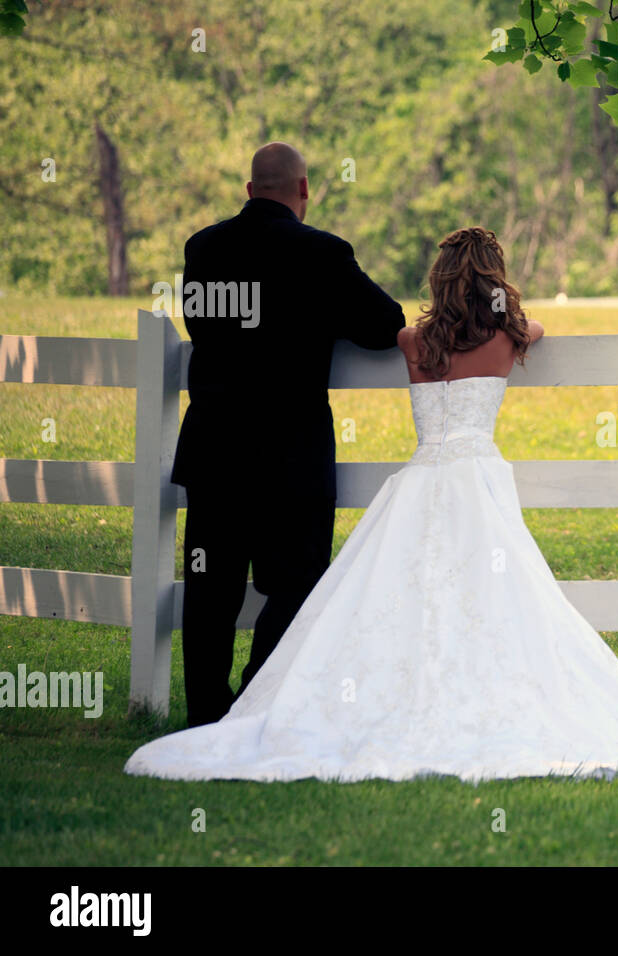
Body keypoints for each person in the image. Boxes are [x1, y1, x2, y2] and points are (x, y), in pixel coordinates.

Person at [125, 227, 618, 783]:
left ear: (439, 280)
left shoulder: (411, 342)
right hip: (478, 479)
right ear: (495, 280)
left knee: (400, 592)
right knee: (495, 594)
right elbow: (537, 327)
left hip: (422, 480)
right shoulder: (511, 337)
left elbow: (395, 329)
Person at [172, 142, 405, 727]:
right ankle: (256, 701)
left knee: (210, 591)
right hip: (289, 457)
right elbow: (385, 325)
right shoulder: (323, 254)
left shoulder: (202, 249)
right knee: (298, 583)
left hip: (214, 451)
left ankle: (205, 713)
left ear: (250, 191)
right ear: (304, 190)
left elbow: (201, 325)